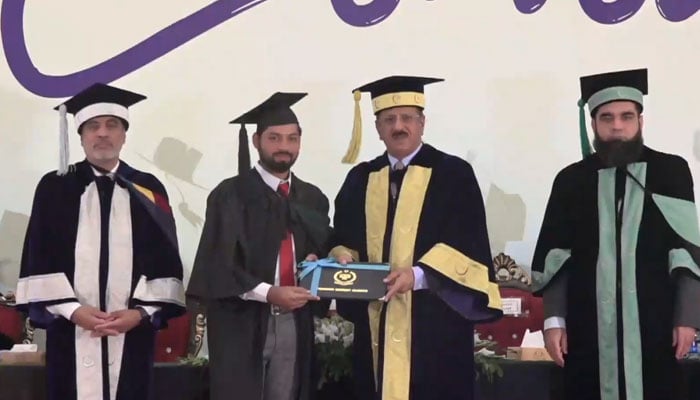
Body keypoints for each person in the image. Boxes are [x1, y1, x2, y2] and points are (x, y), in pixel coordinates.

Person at [532, 68, 700, 400]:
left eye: (626, 116)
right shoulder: (571, 180)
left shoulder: (671, 172)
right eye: (607, 118)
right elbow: (556, 258)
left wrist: (687, 318)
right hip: (588, 326)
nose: (617, 126)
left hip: (656, 324)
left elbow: (686, 252)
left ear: (641, 120)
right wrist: (554, 321)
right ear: (593, 124)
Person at [332, 75, 503, 400]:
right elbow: (343, 237)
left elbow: (469, 244)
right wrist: (344, 257)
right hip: (376, 325)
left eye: (407, 118)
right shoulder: (360, 178)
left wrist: (418, 275)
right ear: (378, 127)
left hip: (436, 326)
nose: (399, 126)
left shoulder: (453, 174)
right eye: (389, 119)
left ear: (422, 123)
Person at [14, 83, 186, 400]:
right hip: (71, 329)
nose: (102, 134)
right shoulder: (55, 187)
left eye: (112, 125)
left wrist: (139, 314)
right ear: (80, 135)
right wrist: (73, 310)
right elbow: (39, 256)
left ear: (124, 134)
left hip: (132, 332)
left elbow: (166, 263)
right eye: (93, 126)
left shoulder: (149, 189)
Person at [186, 92, 332, 400]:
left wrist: (321, 259)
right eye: (274, 138)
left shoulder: (312, 197)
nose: (284, 147)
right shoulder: (230, 195)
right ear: (256, 141)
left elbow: (320, 247)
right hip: (240, 322)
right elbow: (219, 263)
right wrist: (270, 292)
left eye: (292, 139)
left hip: (295, 322)